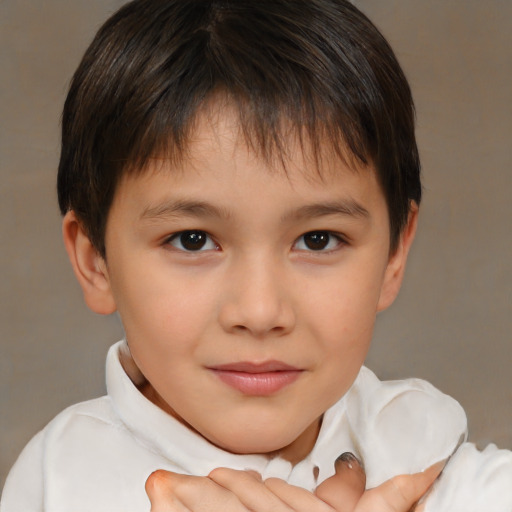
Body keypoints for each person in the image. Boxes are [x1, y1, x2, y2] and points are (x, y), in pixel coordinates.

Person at [1, 0, 511, 510]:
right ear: (97, 262)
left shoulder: (430, 461)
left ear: (394, 256)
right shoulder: (60, 483)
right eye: (193, 240)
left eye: (318, 240)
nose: (260, 312)